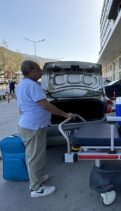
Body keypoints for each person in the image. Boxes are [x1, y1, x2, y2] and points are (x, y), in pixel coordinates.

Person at [16, 60, 76, 199]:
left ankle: (37, 178)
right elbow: (46, 105)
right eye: (38, 69)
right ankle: (36, 188)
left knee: (36, 156)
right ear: (31, 70)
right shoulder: (31, 85)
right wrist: (66, 114)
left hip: (31, 125)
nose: (41, 71)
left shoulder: (23, 84)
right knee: (34, 158)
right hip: (32, 127)